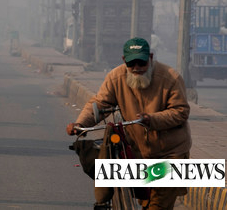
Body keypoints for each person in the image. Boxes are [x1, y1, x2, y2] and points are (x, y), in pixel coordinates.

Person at [66, 38, 192, 210]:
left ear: (151, 58)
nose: (137, 68)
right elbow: (100, 103)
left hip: (170, 152)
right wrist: (79, 123)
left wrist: (152, 119)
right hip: (138, 151)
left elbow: (180, 111)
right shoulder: (115, 77)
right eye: (132, 63)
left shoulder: (170, 77)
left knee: (159, 205)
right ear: (124, 60)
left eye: (141, 63)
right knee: (145, 200)